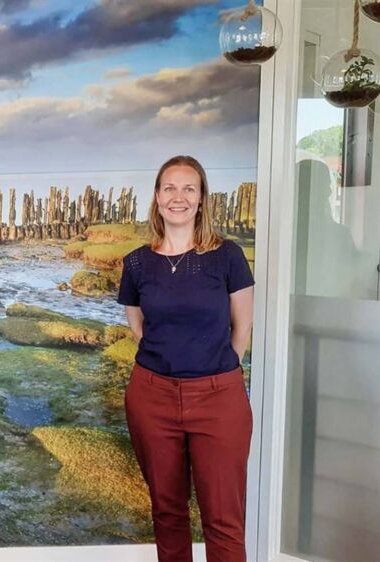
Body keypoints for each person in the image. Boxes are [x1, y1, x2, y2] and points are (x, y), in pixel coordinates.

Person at [117, 155, 254, 562]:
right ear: (157, 198)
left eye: (189, 188)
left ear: (201, 199)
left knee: (224, 520)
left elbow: (241, 328)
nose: (179, 197)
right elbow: (139, 327)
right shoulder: (137, 263)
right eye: (170, 188)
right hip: (152, 396)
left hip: (219, 398)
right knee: (168, 512)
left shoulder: (226, 255)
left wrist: (213, 369)